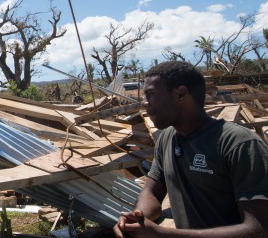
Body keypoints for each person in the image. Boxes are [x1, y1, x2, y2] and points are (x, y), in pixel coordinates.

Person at [114, 61, 268, 238]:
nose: (144, 102)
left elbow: (260, 229)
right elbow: (152, 191)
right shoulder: (167, 138)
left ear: (181, 94)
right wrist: (138, 217)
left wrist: (160, 234)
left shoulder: (239, 144)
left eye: (151, 94)